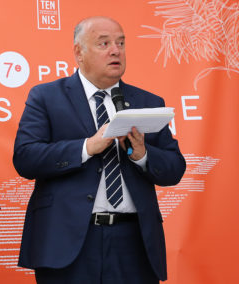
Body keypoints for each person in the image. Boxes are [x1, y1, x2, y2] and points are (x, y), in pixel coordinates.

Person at [13, 16, 186, 284]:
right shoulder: (46, 97)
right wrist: (86, 147)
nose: (115, 50)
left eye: (120, 43)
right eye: (103, 43)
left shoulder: (147, 102)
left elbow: (175, 168)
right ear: (78, 52)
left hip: (134, 244)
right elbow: (25, 158)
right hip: (68, 243)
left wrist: (143, 156)